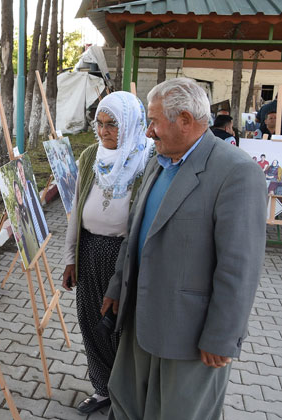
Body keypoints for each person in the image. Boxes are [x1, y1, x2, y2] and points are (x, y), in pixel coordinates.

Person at [102, 78, 266, 420]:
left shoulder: (237, 172)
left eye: (154, 122)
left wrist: (223, 336)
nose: (148, 132)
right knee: (127, 405)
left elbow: (240, 266)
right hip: (139, 320)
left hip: (189, 336)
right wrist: (118, 286)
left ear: (186, 120)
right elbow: (135, 230)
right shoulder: (158, 160)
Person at [62, 90, 154, 414]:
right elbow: (75, 207)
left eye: (112, 124)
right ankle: (102, 389)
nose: (103, 131)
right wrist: (70, 258)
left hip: (125, 255)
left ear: (129, 124)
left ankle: (126, 394)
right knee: (90, 322)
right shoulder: (90, 156)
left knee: (120, 327)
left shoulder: (148, 159)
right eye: (99, 123)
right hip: (89, 249)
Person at [15, 158, 49, 243]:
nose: (21, 173)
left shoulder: (30, 185)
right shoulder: (20, 195)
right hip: (33, 239)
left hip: (42, 231)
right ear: (17, 174)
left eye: (21, 170)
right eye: (19, 171)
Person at [13, 179, 38, 267]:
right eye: (16, 192)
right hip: (29, 251)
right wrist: (18, 218)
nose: (18, 193)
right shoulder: (17, 212)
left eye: (19, 190)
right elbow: (19, 234)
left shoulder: (26, 207)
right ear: (15, 195)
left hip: (35, 247)